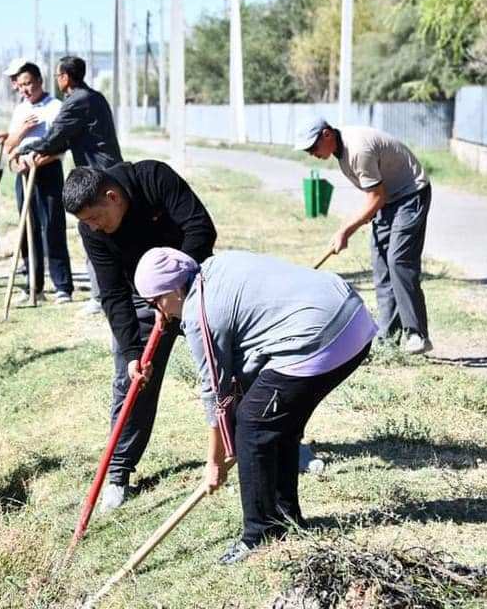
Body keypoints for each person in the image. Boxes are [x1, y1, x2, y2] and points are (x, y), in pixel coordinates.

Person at [133, 247, 375, 564]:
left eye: (155, 303)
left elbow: (216, 396)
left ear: (173, 290)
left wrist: (214, 463)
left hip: (322, 336)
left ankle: (258, 534)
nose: (158, 314)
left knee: (252, 426)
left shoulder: (199, 313)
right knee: (275, 422)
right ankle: (287, 521)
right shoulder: (217, 266)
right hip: (353, 317)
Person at [62, 163, 216, 510]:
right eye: (85, 222)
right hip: (140, 297)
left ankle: (278, 442)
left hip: (194, 279)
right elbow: (113, 293)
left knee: (230, 361)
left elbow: (200, 228)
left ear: (112, 197)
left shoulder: (154, 179)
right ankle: (118, 474)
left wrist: (175, 287)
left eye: (95, 218)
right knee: (132, 380)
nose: (92, 227)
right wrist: (133, 351)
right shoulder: (92, 231)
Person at [296, 118, 433, 354]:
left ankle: (417, 334)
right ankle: (387, 338)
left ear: (327, 134)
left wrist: (345, 230)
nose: (312, 153)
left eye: (312, 147)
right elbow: (375, 195)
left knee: (398, 261)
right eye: (308, 150)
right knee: (381, 267)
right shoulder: (342, 152)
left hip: (410, 194)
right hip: (389, 199)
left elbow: (376, 196)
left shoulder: (357, 150)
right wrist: (355, 223)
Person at [13, 55, 123, 316]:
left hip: (99, 175)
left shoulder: (76, 102)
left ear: (65, 77)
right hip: (108, 171)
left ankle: (101, 296)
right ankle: (113, 292)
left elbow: (54, 139)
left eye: (57, 75)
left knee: (94, 232)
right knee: (108, 234)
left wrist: (25, 148)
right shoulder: (93, 96)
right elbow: (63, 141)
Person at [1, 62, 74, 304]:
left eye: (29, 84)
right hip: (22, 174)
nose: (25, 89)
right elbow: (10, 145)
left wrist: (37, 161)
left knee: (52, 226)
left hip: (47, 171)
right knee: (27, 229)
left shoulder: (55, 107)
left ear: (40, 82)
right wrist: (20, 135)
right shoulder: (20, 110)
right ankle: (34, 285)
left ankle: (63, 286)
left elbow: (61, 146)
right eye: (21, 85)